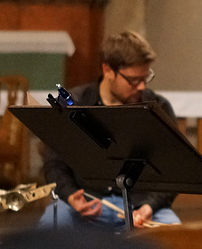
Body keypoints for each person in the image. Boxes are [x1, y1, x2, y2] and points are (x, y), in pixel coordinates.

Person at [38, 31, 181, 230]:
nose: (141, 86)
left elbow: (172, 168)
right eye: (133, 80)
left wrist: (150, 206)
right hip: (87, 201)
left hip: (140, 205)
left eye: (145, 77)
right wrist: (71, 196)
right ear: (107, 70)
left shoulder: (158, 108)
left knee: (176, 234)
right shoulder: (74, 103)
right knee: (51, 228)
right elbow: (54, 162)